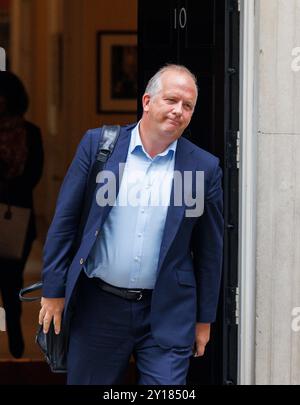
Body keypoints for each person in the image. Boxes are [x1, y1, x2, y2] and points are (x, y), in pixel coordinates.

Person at [40, 64, 223, 385]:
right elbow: (65, 223)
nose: (179, 110)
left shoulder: (203, 168)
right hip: (98, 307)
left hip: (167, 310)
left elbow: (210, 251)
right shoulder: (99, 147)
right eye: (172, 100)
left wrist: (203, 319)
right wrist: (54, 291)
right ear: (147, 101)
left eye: (188, 105)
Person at [0, 71, 44, 358]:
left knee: (11, 278)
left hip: (17, 216)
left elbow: (34, 173)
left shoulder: (31, 132)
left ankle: (15, 335)